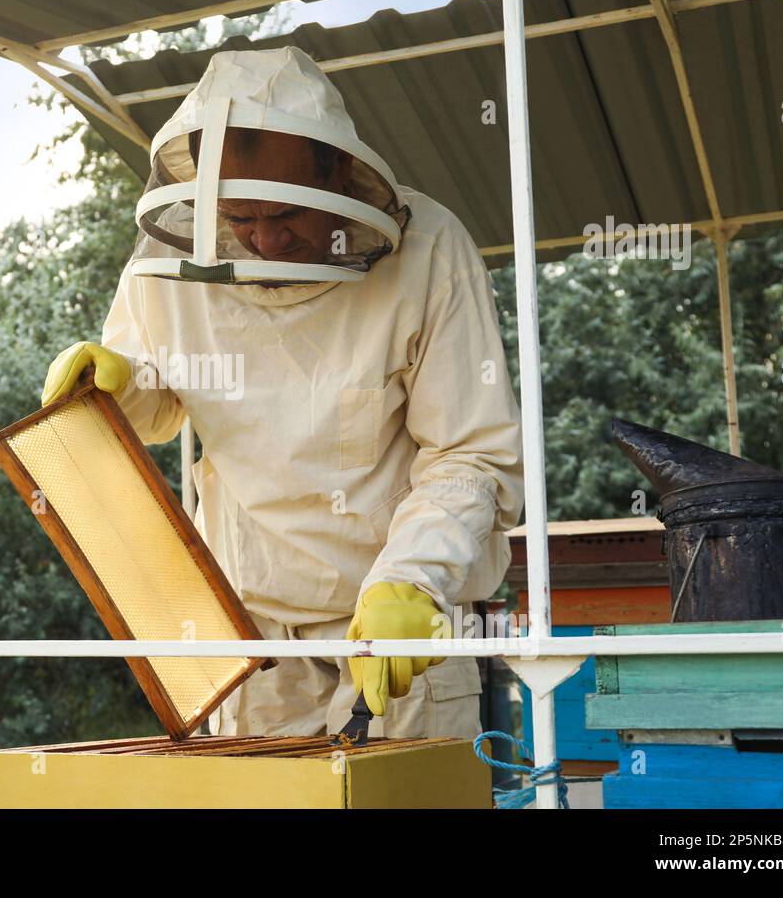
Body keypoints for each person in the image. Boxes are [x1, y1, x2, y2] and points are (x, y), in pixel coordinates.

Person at [40, 47, 523, 740]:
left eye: (286, 213)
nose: (265, 239)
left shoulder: (431, 249)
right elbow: (157, 408)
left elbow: (470, 454)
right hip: (252, 635)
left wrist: (414, 579)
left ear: (336, 171)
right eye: (241, 217)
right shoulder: (166, 268)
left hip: (397, 630)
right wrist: (116, 381)